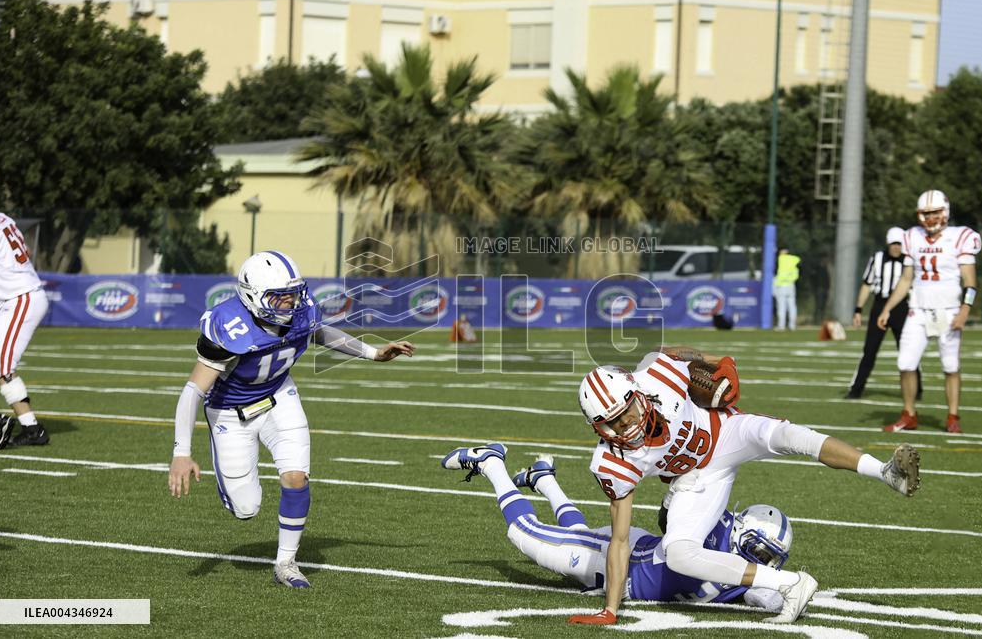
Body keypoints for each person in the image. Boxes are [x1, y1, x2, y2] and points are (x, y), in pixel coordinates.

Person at [568, 346, 919, 626]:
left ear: (637, 392)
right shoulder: (612, 462)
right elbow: (619, 540)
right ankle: (791, 584)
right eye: (611, 422)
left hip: (725, 432)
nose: (625, 424)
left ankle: (885, 472)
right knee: (678, 553)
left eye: (626, 411)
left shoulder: (660, 374)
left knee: (786, 434)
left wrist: (722, 364)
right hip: (697, 479)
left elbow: (685, 355)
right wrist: (610, 610)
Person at [168, 250, 415, 588]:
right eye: (278, 296)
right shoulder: (229, 325)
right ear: (252, 296)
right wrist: (181, 452)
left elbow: (318, 332)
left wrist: (372, 353)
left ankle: (286, 563)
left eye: (292, 294)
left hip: (279, 397)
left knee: (296, 477)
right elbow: (193, 390)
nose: (289, 302)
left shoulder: (300, 310)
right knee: (246, 508)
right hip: (231, 411)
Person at [441, 445, 792, 612]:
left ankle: (543, 479)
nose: (762, 561)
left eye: (769, 557)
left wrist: (779, 585)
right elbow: (670, 521)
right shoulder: (715, 531)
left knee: (578, 533)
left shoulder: (741, 574)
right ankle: (491, 462)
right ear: (740, 531)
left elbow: (767, 595)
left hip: (628, 558)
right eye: (760, 550)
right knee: (523, 532)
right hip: (619, 560)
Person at [877, 190, 981, 434]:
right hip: (918, 309)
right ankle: (909, 415)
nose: (931, 217)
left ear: (945, 212)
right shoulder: (912, 236)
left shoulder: (960, 237)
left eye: (935, 212)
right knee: (905, 363)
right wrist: (887, 308)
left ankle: (953, 417)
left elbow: (970, 282)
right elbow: (906, 279)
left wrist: (965, 310)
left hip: (949, 309)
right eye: (926, 213)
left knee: (950, 365)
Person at [0, 211, 50, 448]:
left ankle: (31, 429)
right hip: (4, 300)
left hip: (18, 298)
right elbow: (26, 251)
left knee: (0, 367)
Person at [846, 227, 922, 400]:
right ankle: (856, 389)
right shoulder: (877, 258)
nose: (896, 247)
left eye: (899, 244)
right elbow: (867, 284)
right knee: (869, 350)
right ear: (888, 244)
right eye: (893, 244)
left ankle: (917, 390)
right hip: (880, 305)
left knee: (909, 350)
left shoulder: (909, 260)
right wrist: (858, 309)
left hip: (902, 307)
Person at [773, 248, 800, 331]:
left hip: (782, 285)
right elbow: (796, 275)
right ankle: (792, 325)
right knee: (792, 306)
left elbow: (779, 274)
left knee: (781, 306)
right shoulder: (793, 262)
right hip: (791, 285)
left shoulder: (782, 260)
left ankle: (781, 325)